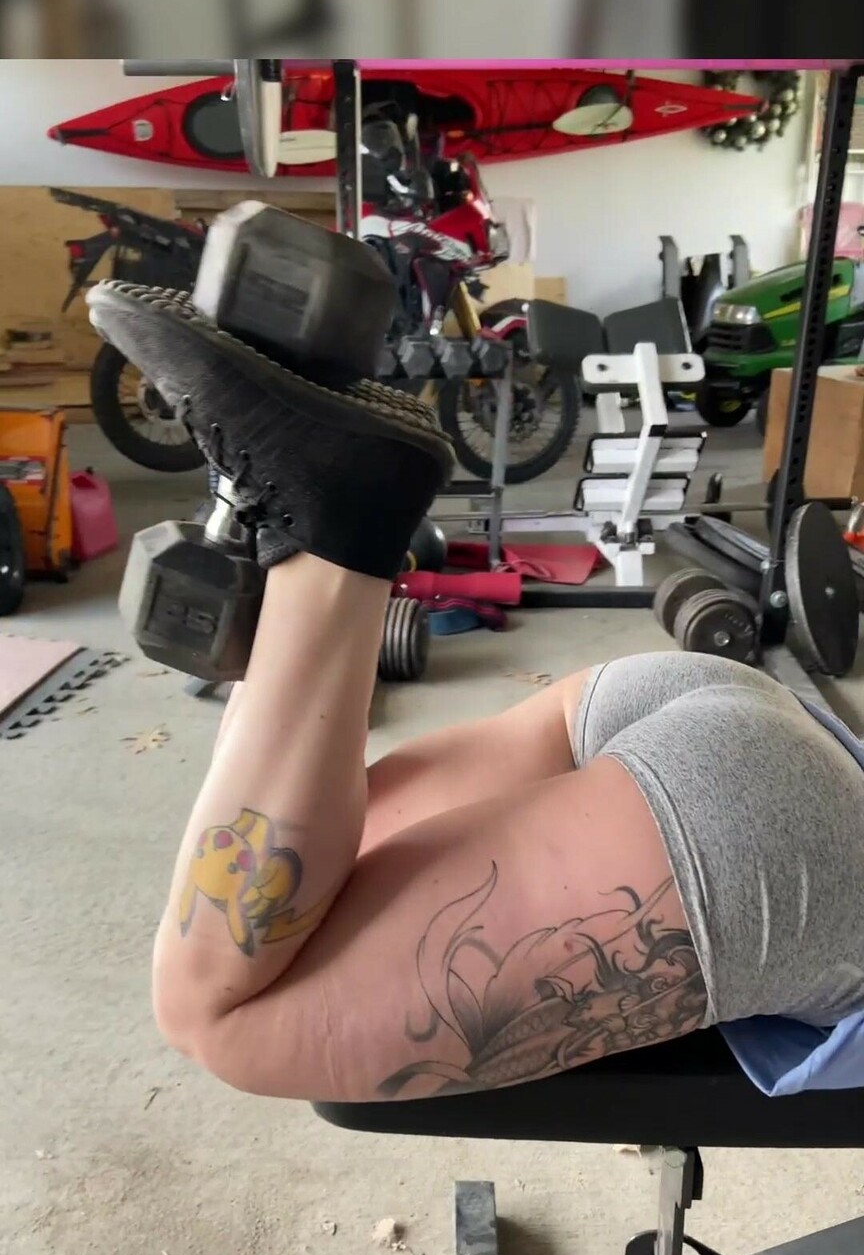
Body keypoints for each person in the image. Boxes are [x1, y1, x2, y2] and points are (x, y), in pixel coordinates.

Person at [89, 277, 864, 1108]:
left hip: (728, 723)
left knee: (249, 949)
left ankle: (294, 517)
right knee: (226, 990)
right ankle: (322, 515)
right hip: (779, 839)